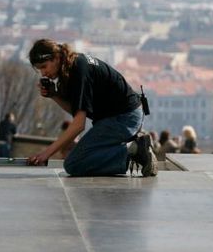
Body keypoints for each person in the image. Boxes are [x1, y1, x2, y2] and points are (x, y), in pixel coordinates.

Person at [26, 39, 157, 177]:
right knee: (81, 159)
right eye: (40, 69)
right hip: (122, 116)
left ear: (57, 58)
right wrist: (55, 95)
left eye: (44, 66)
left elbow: (78, 125)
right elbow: (77, 111)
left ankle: (134, 150)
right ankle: (133, 150)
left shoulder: (78, 70)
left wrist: (46, 154)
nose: (43, 73)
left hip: (124, 118)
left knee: (74, 164)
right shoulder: (73, 65)